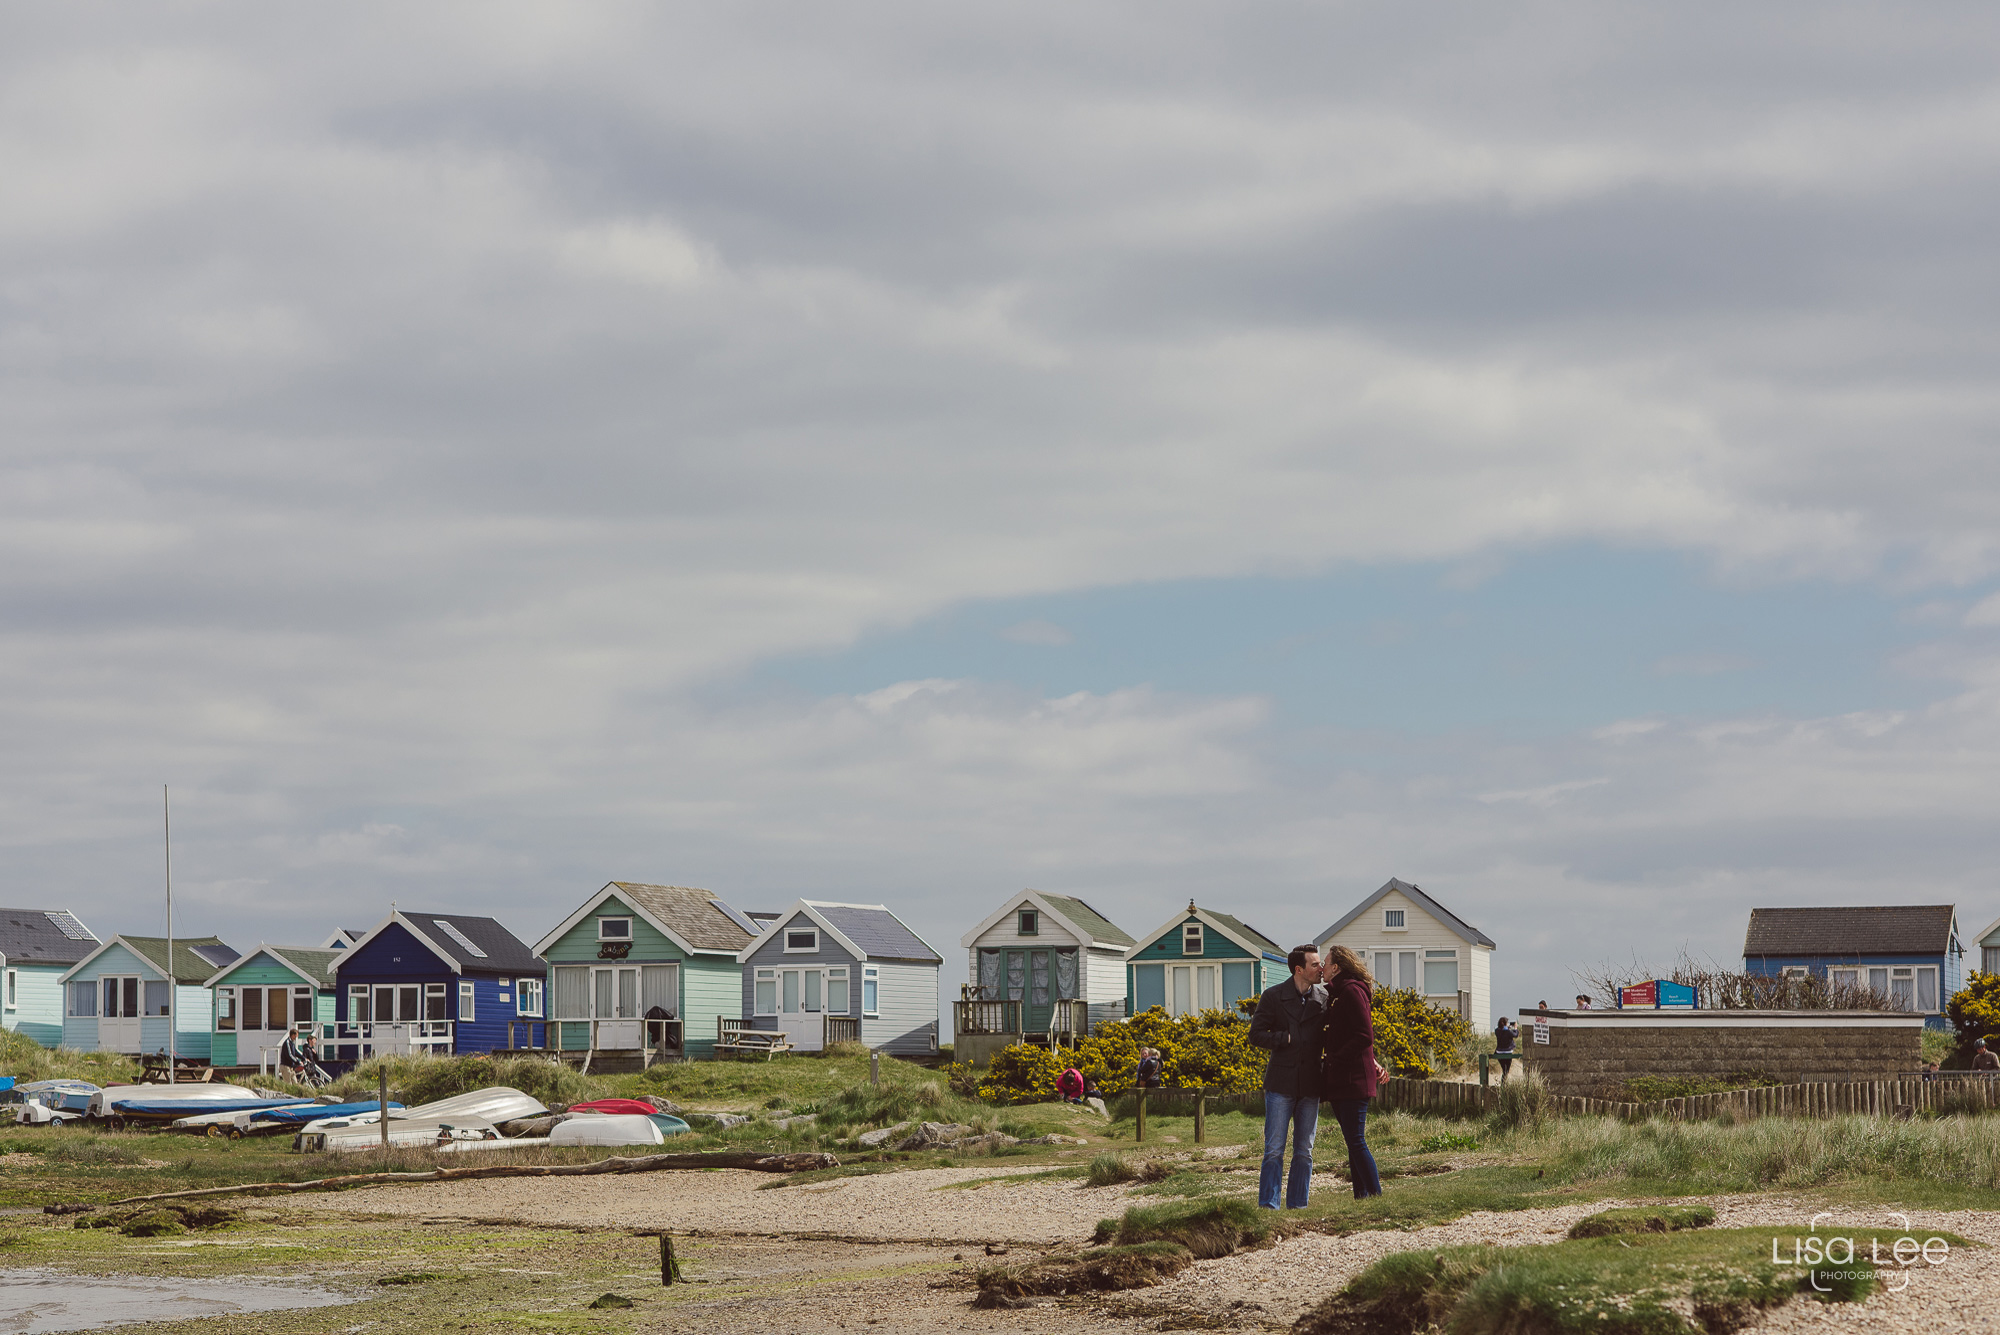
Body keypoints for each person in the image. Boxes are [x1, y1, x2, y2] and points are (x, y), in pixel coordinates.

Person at [1249, 945, 1328, 1210]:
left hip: (1310, 1084)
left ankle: (1298, 1205)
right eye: (1315, 965)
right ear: (1299, 969)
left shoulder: (1324, 998)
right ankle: (1269, 1205)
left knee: (1304, 1151)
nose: (1321, 969)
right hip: (1280, 1084)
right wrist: (1284, 1038)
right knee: (1274, 1150)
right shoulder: (1273, 996)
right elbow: (1255, 1035)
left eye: (1320, 964)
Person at [1317, 945, 1384, 1199]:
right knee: (1352, 1142)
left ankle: (1374, 1194)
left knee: (1356, 1140)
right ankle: (1361, 1196)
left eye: (1326, 963)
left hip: (1353, 1079)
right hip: (1341, 1080)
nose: (1322, 967)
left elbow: (1365, 1035)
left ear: (1337, 967)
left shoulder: (1352, 992)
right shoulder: (1338, 994)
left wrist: (1336, 1057)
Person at [1493, 1016, 1517, 1084]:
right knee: (1506, 1071)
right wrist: (1515, 1028)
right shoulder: (1508, 1032)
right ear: (1506, 1024)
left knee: (1504, 1069)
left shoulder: (1497, 1031)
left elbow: (1501, 1031)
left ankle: (1504, 1083)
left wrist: (1507, 1027)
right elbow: (1515, 1035)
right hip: (1508, 1052)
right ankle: (1504, 1084)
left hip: (1499, 1052)